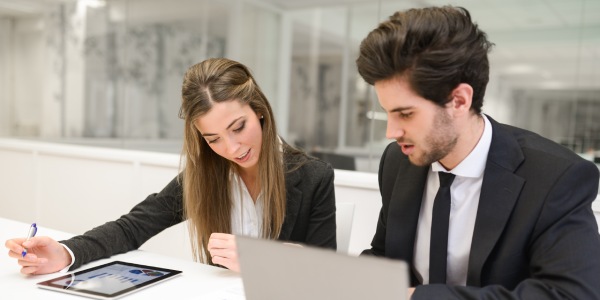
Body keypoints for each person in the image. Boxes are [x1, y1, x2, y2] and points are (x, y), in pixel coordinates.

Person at [356, 6, 600, 299]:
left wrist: (418, 297)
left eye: (406, 114)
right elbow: (386, 255)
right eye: (387, 114)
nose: (391, 132)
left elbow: (570, 294)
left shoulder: (554, 178)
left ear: (459, 101)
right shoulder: (398, 161)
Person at [5, 58, 336, 274]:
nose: (232, 148)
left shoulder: (313, 177)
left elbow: (327, 274)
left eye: (238, 127)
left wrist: (268, 261)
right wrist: (65, 252)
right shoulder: (204, 177)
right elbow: (131, 227)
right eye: (213, 138)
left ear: (259, 111)